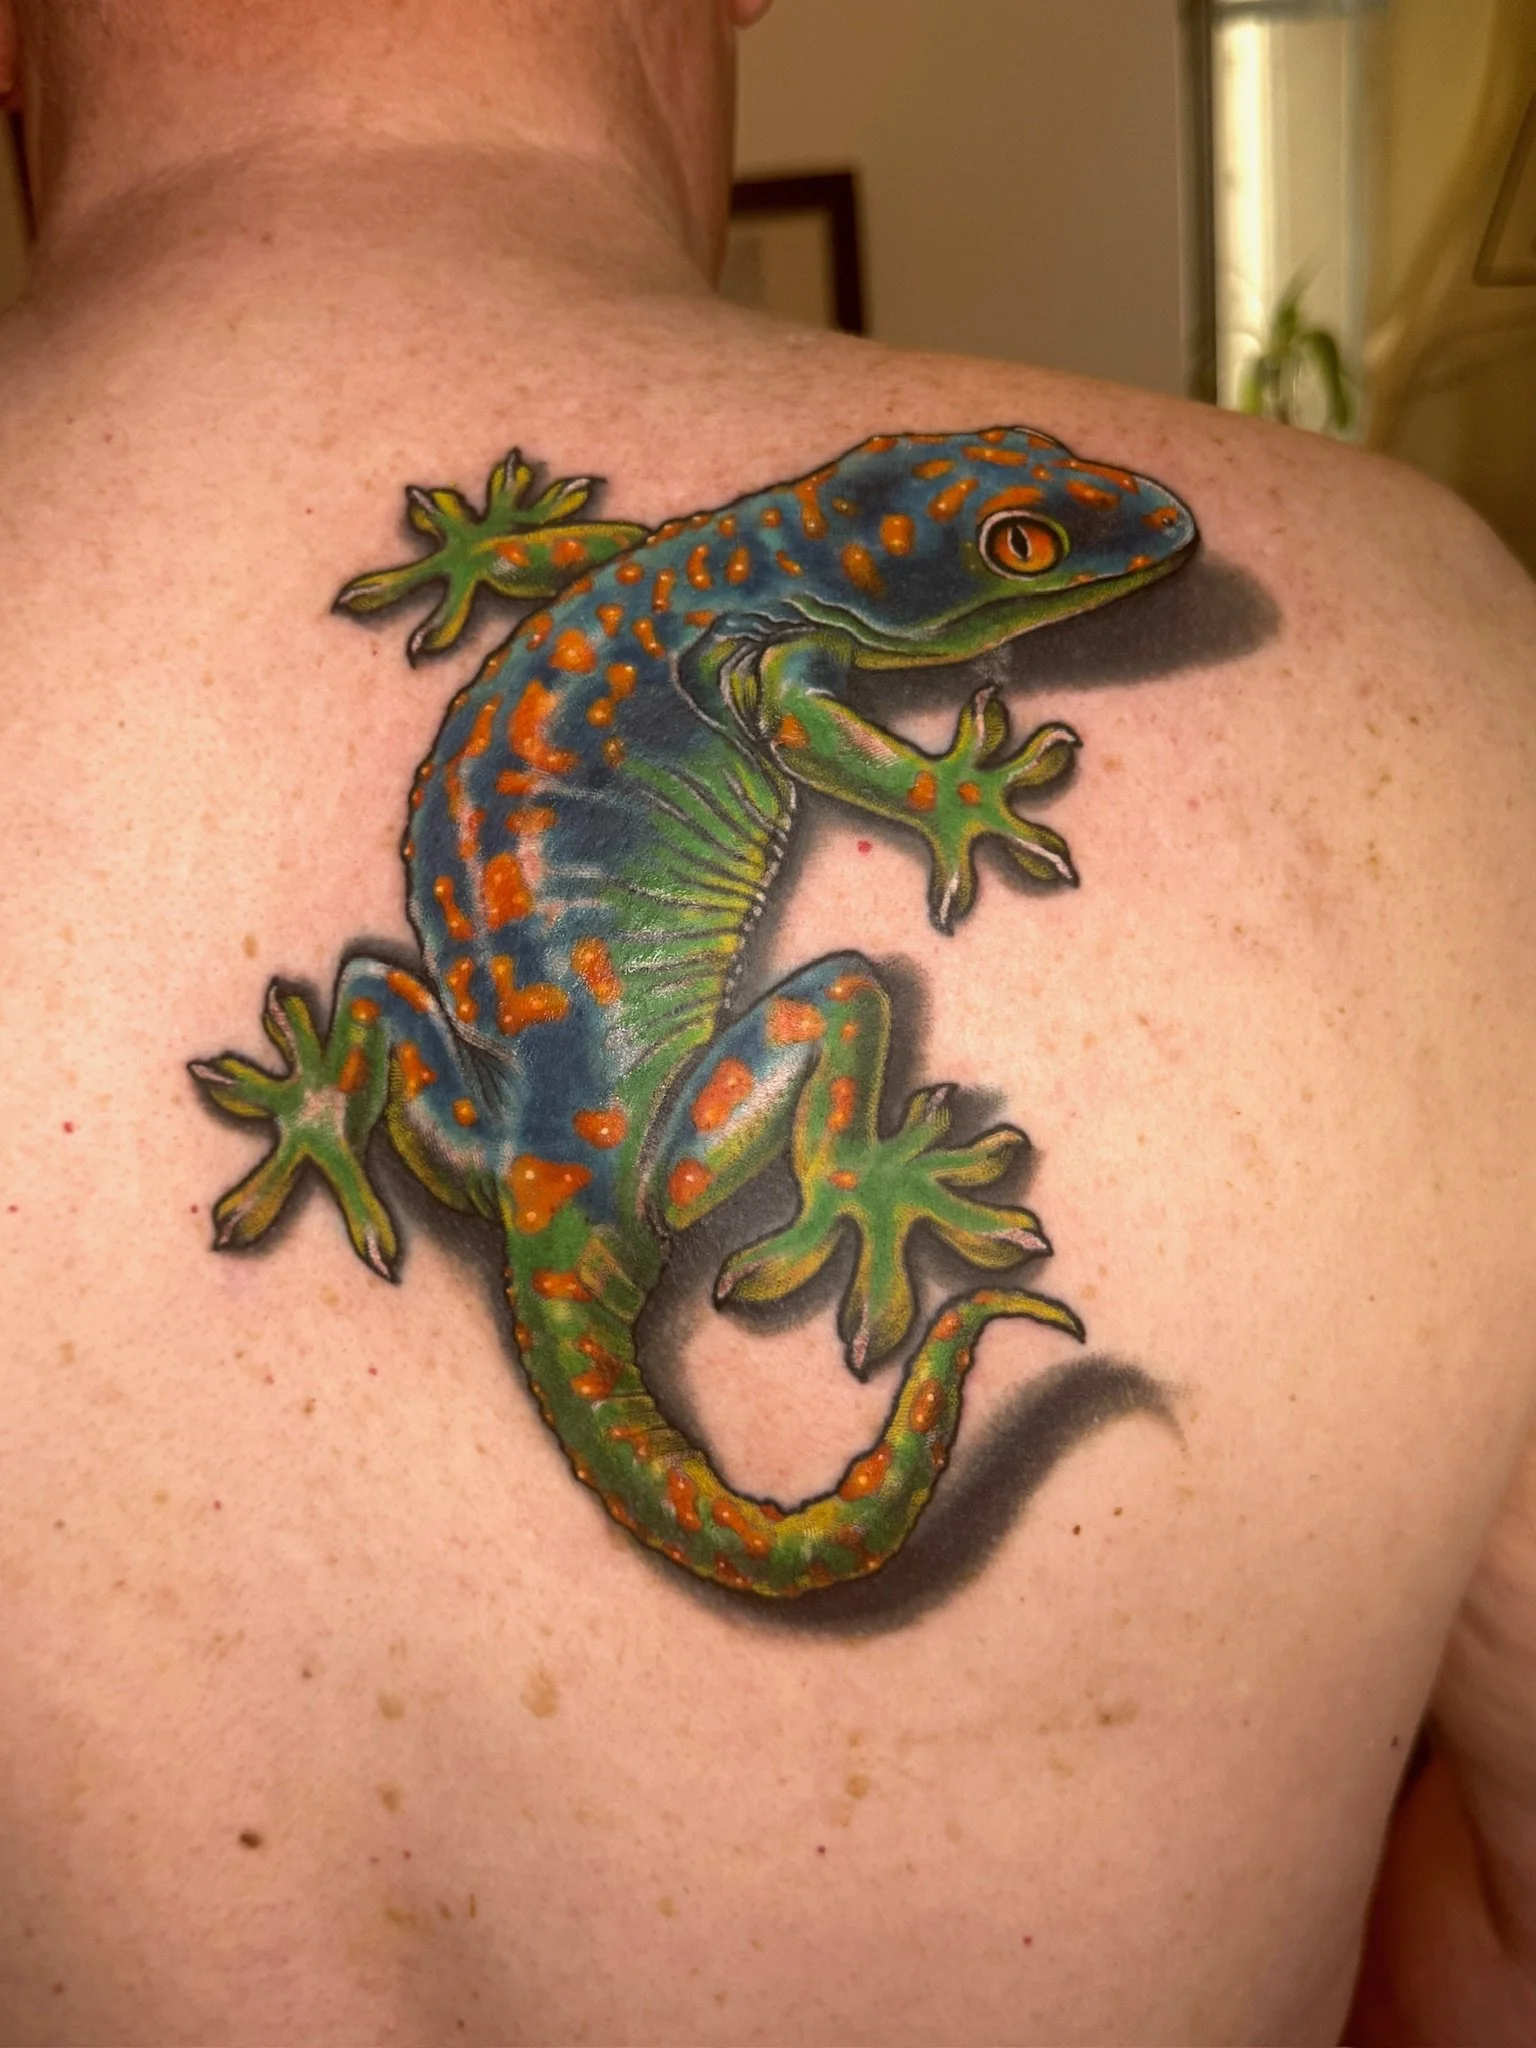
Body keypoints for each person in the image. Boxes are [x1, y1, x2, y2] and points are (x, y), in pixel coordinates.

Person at [1, 2, 1533, 2041]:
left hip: (508, 1137)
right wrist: (945, 800)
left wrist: (326, 1099)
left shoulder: (689, 575)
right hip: (597, 1151)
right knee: (832, 1008)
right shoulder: (1451, 682)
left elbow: (576, 582)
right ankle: (848, 1170)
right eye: (1022, 549)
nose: (1078, 550)